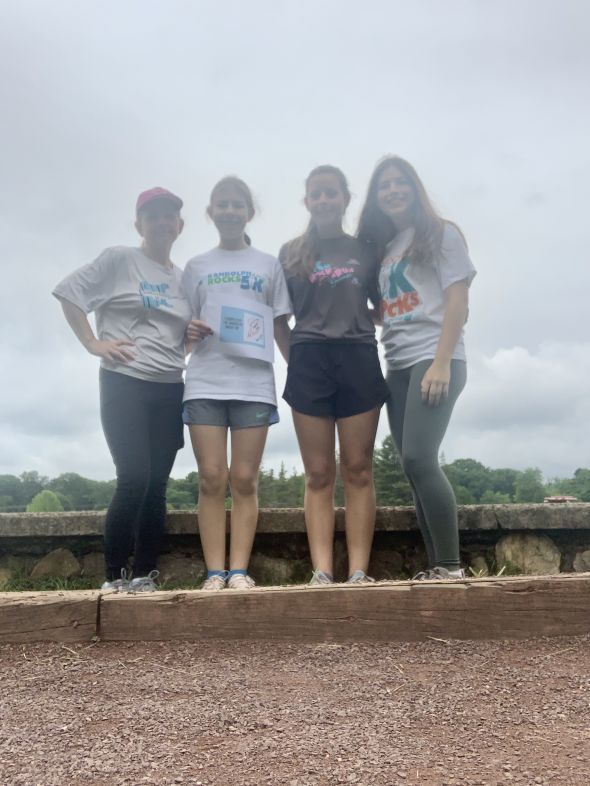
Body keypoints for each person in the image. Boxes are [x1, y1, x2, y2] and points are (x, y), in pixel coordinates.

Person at [53, 187, 191, 592]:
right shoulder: (119, 260)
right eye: (153, 216)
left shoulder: (183, 279)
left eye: (168, 216)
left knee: (157, 485)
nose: (161, 222)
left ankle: (145, 574)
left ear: (180, 225)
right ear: (138, 224)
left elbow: (176, 334)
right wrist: (92, 343)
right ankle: (114, 576)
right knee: (133, 477)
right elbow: (68, 292)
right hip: (124, 382)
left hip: (170, 386)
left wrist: (190, 340)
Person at [357, 156, 476, 580]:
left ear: (414, 187)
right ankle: (436, 567)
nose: (392, 190)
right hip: (398, 363)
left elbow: (457, 300)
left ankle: (450, 568)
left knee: (420, 458)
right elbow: (396, 306)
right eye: (383, 185)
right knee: (412, 468)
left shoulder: (442, 233)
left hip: (434, 356)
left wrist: (441, 363)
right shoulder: (387, 248)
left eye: (399, 182)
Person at [280, 165, 390, 586]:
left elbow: (384, 307)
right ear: (307, 201)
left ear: (345, 199)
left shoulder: (366, 250)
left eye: (331, 193)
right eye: (316, 194)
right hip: (308, 360)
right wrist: (296, 362)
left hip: (357, 357)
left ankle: (359, 571)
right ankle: (322, 571)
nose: (324, 200)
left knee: (358, 468)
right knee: (319, 472)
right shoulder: (290, 252)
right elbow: (278, 318)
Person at [182, 176, 291, 591]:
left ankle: (239, 571)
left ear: (250, 212)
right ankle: (215, 573)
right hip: (205, 382)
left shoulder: (268, 264)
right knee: (211, 477)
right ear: (211, 212)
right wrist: (189, 331)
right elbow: (182, 329)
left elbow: (279, 325)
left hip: (253, 385)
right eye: (222, 204)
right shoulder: (196, 266)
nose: (229, 211)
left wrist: (299, 371)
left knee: (244, 478)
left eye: (237, 204)